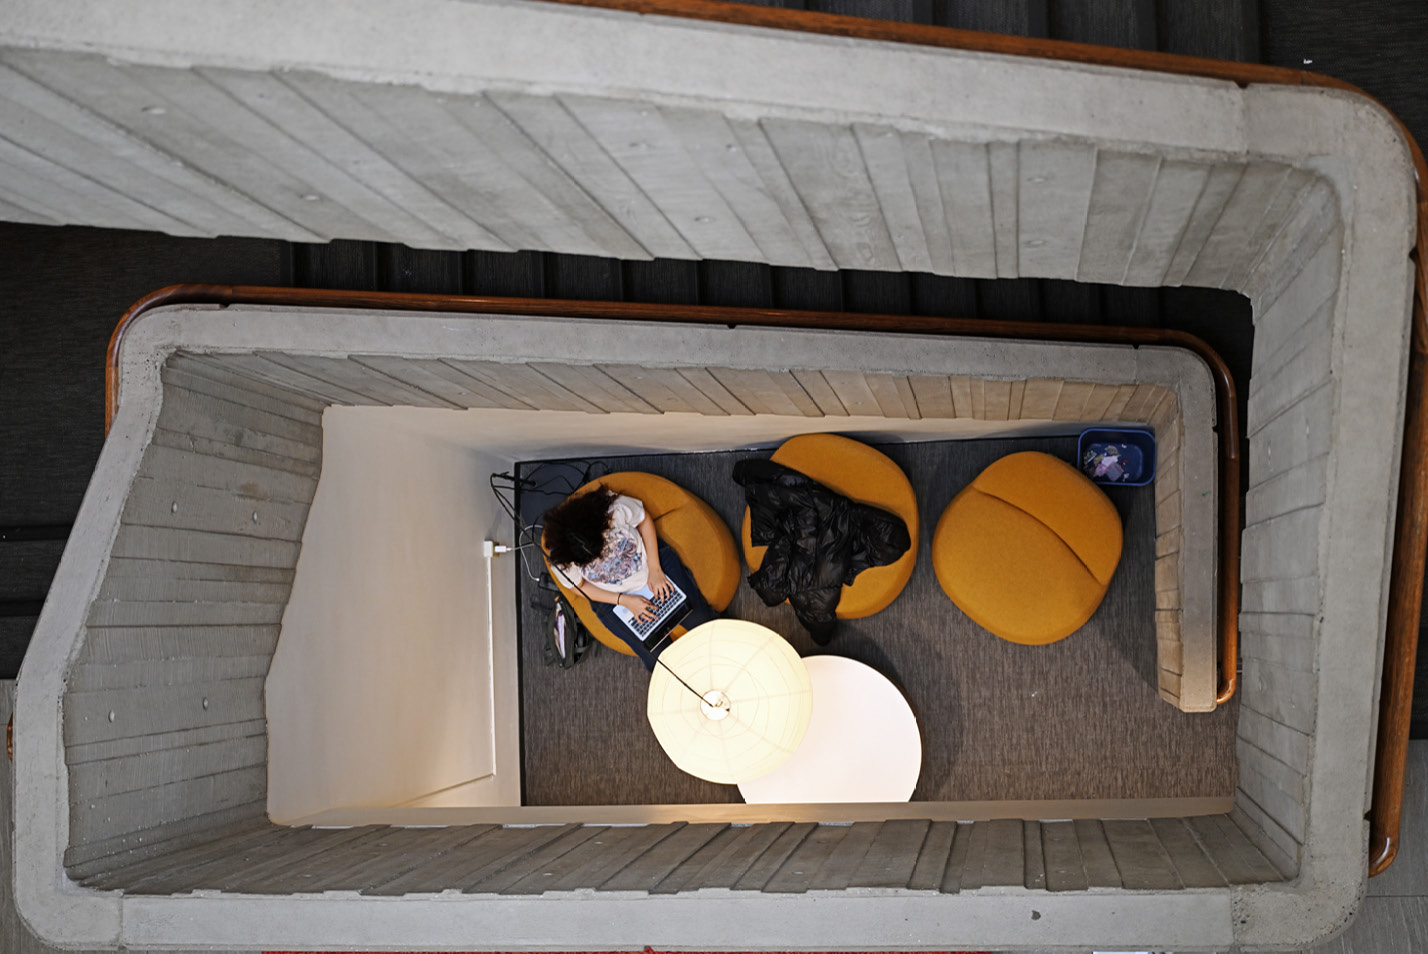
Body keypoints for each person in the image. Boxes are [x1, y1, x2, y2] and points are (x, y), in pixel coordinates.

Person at [542, 485, 715, 669]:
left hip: (650, 564)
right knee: (659, 662)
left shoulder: (613, 511)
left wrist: (655, 569)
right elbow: (580, 586)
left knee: (704, 622)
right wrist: (624, 601)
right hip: (612, 597)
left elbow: (644, 520)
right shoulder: (563, 558)